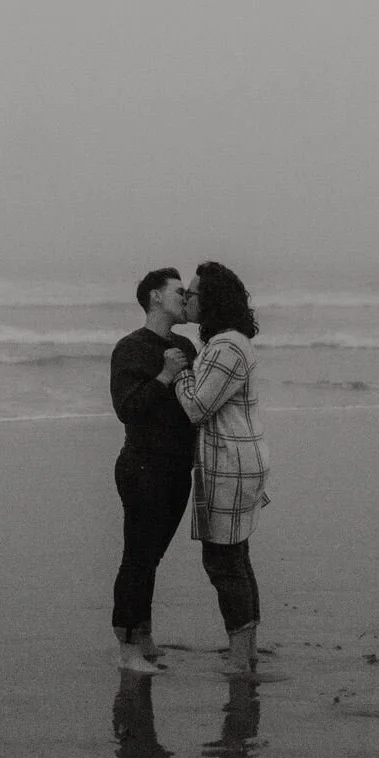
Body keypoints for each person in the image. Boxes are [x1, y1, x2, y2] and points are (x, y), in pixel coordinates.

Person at [164, 261, 270, 675]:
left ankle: (241, 657)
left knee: (223, 562)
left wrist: (178, 374)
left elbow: (197, 408)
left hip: (230, 463)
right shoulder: (231, 341)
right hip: (238, 459)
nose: (186, 299)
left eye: (192, 293)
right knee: (236, 557)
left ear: (210, 301)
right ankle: (248, 650)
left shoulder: (227, 346)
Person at [109, 267, 197, 673]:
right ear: (155, 297)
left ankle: (144, 635)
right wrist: (165, 375)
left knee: (153, 557)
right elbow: (127, 409)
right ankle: (127, 650)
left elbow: (196, 407)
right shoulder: (129, 348)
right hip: (142, 466)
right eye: (179, 291)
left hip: (179, 468)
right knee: (138, 557)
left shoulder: (185, 346)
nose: (186, 297)